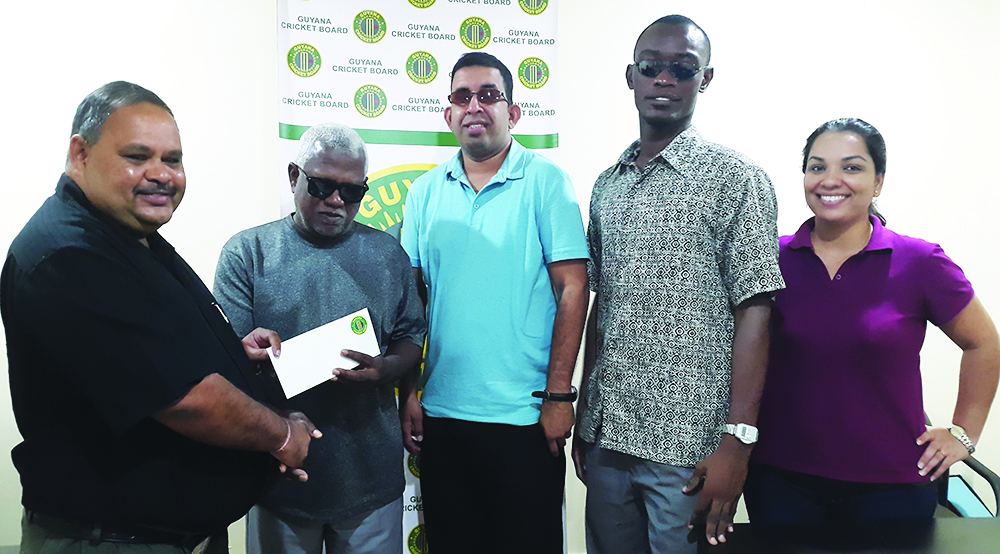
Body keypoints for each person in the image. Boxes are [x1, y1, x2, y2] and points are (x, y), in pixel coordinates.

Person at [0, 81, 320, 554]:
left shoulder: (128, 236)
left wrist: (233, 353)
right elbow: (184, 398)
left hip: (170, 535)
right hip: (114, 540)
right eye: (137, 156)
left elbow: (155, 347)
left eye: (172, 159)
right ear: (80, 154)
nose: (161, 174)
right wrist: (282, 434)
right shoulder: (70, 255)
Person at [572, 15, 785, 552]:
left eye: (682, 69)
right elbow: (603, 304)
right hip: (608, 441)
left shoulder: (736, 178)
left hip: (690, 449)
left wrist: (738, 442)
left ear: (705, 79)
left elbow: (756, 312)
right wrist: (583, 417)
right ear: (631, 76)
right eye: (651, 68)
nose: (664, 79)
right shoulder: (608, 184)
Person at [745, 118, 1000, 523]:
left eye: (851, 167)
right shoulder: (768, 259)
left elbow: (984, 343)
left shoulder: (920, 261)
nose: (831, 180)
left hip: (893, 486)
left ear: (878, 181)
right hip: (781, 481)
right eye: (817, 167)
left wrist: (962, 435)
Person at [398, 51, 589, 553]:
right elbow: (411, 302)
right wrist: (410, 393)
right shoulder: (423, 192)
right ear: (448, 114)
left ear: (514, 113)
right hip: (443, 414)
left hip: (524, 418)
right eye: (462, 97)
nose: (474, 106)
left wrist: (558, 396)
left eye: (489, 95)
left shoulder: (546, 181)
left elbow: (573, 289)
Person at [214, 122, 426, 554]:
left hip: (371, 481)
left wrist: (387, 369)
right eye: (323, 185)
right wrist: (251, 356)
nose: (336, 202)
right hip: (279, 475)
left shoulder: (389, 255)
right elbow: (225, 366)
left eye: (352, 192)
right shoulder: (247, 254)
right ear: (294, 177)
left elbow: (411, 338)